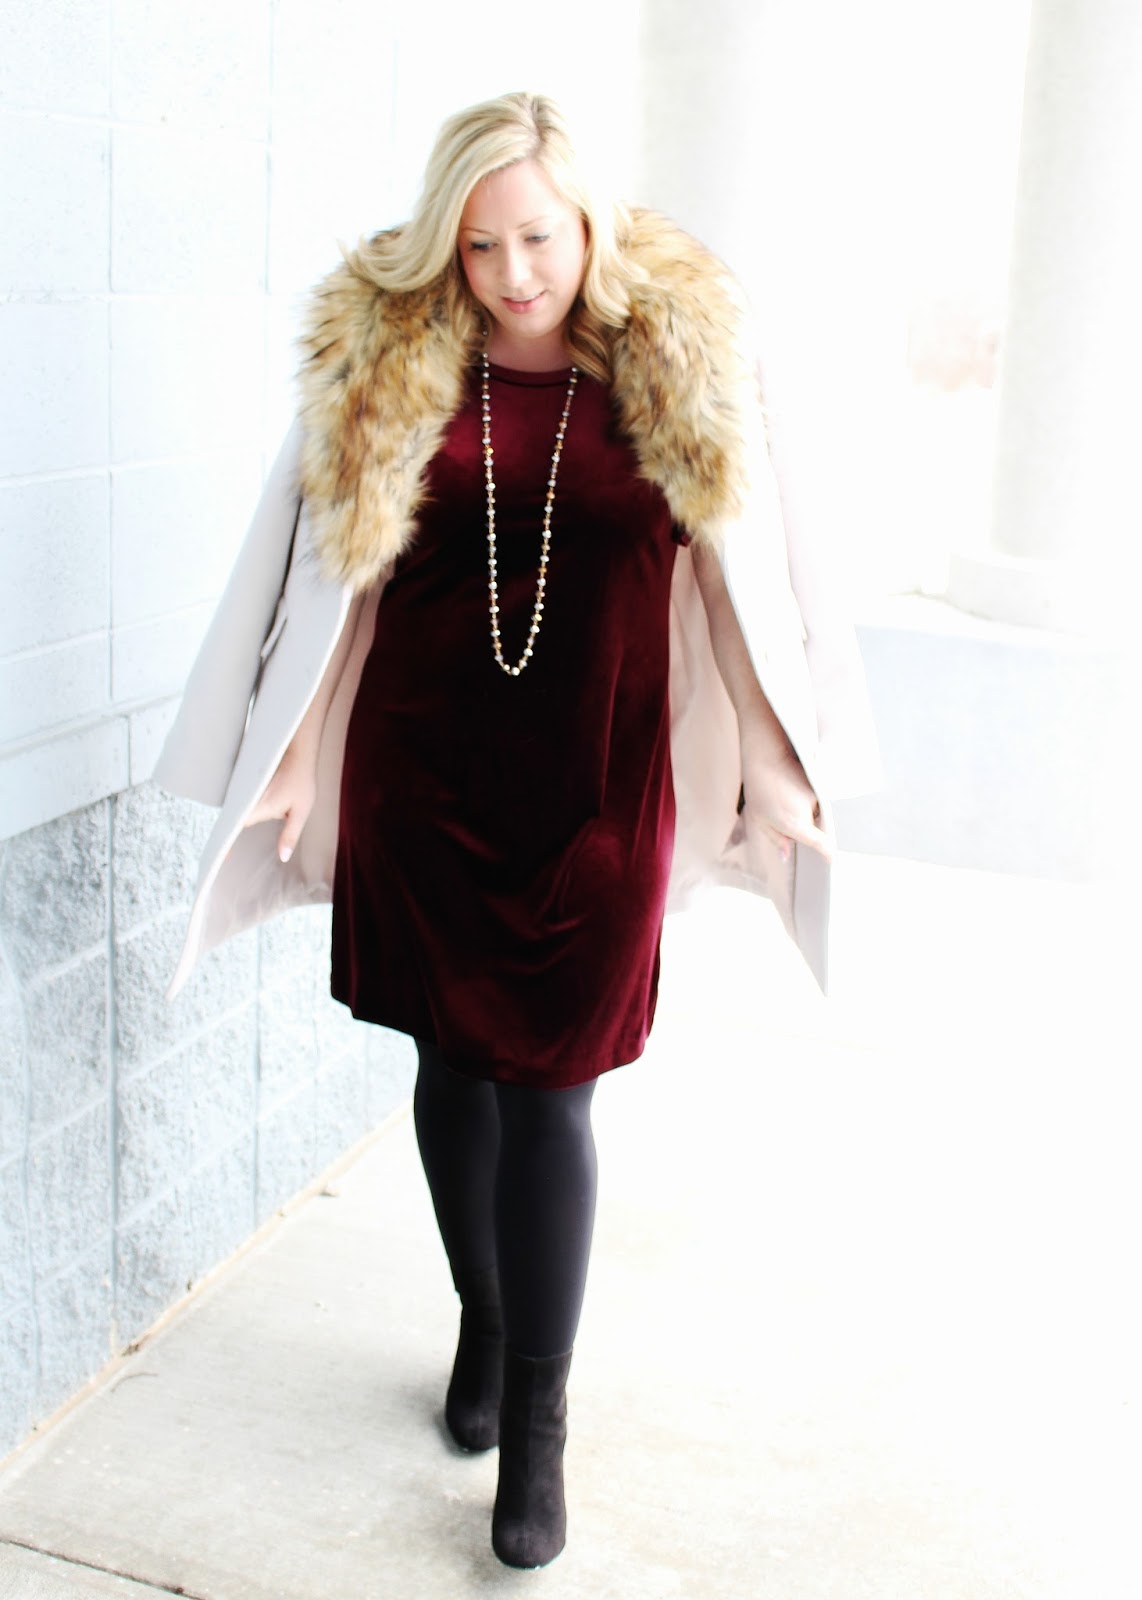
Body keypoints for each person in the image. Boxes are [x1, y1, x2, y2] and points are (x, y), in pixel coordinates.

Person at [155, 91, 876, 1570]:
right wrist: (291, 760)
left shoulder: (677, 359)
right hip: (421, 776)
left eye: (537, 237)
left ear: (589, 223)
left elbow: (737, 574)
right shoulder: (395, 358)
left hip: (600, 785)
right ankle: (483, 1319)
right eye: (479, 245)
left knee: (552, 1091)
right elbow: (335, 577)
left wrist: (777, 760)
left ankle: (537, 1428)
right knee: (451, 1062)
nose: (512, 272)